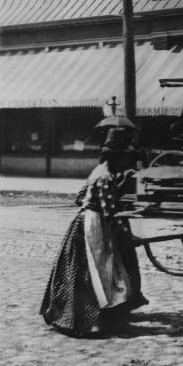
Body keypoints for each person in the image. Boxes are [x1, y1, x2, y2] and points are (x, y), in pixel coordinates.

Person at [40, 128, 147, 338]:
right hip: (95, 226)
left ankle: (88, 316)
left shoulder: (99, 170)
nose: (128, 162)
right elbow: (110, 214)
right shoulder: (106, 177)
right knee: (103, 273)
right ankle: (98, 320)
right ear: (118, 157)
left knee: (87, 274)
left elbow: (84, 198)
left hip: (85, 222)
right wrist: (128, 235)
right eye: (126, 157)